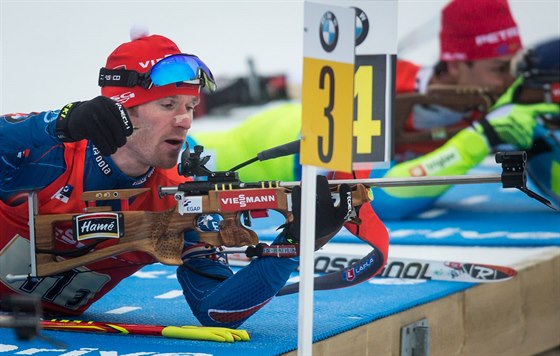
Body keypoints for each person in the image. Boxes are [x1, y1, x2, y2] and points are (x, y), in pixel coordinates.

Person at [0, 29, 389, 329]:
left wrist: (292, 245)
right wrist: (60, 121)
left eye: (189, 106)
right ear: (123, 110)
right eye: (168, 105)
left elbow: (218, 310)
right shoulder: (50, 156)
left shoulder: (179, 199)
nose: (185, 119)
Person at [186, 0, 560, 220]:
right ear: (456, 64)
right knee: (160, 163)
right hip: (269, 147)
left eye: (513, 68)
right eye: (498, 69)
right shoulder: (383, 85)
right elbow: (380, 202)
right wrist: (483, 138)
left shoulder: (509, 98)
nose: (507, 83)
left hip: (295, 148)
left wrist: (537, 139)